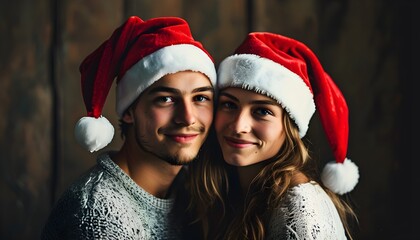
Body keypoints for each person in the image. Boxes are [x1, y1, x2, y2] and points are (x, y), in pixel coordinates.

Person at [41, 16, 216, 239]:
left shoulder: (192, 191)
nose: (188, 118)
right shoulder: (99, 217)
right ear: (129, 111)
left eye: (200, 98)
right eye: (166, 99)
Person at [186, 32, 359, 239]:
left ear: (289, 127)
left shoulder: (299, 208)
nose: (239, 126)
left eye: (262, 111)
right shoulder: (224, 190)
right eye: (229, 104)